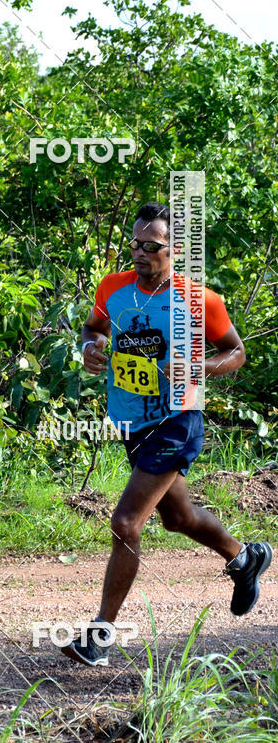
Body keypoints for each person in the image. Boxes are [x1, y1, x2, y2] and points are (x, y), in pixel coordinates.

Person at [61, 201, 272, 667]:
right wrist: (90, 349)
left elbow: (235, 353)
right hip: (132, 420)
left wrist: (196, 366)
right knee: (177, 518)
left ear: (174, 249)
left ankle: (99, 635)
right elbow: (93, 329)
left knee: (125, 523)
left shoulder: (200, 300)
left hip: (178, 420)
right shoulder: (113, 288)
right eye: (134, 243)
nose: (139, 252)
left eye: (150, 246)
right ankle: (245, 557)